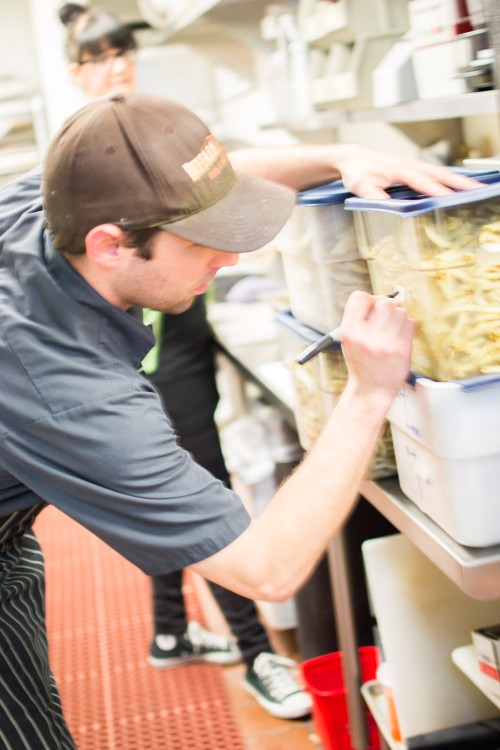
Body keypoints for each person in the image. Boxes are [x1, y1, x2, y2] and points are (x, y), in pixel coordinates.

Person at [58, 2, 315, 720]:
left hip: (185, 330)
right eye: (100, 56)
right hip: (146, 351)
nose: (118, 65)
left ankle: (171, 630)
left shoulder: (160, 127)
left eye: (123, 50)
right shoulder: (84, 158)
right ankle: (258, 649)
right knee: (201, 492)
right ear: (76, 71)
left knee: (179, 490)